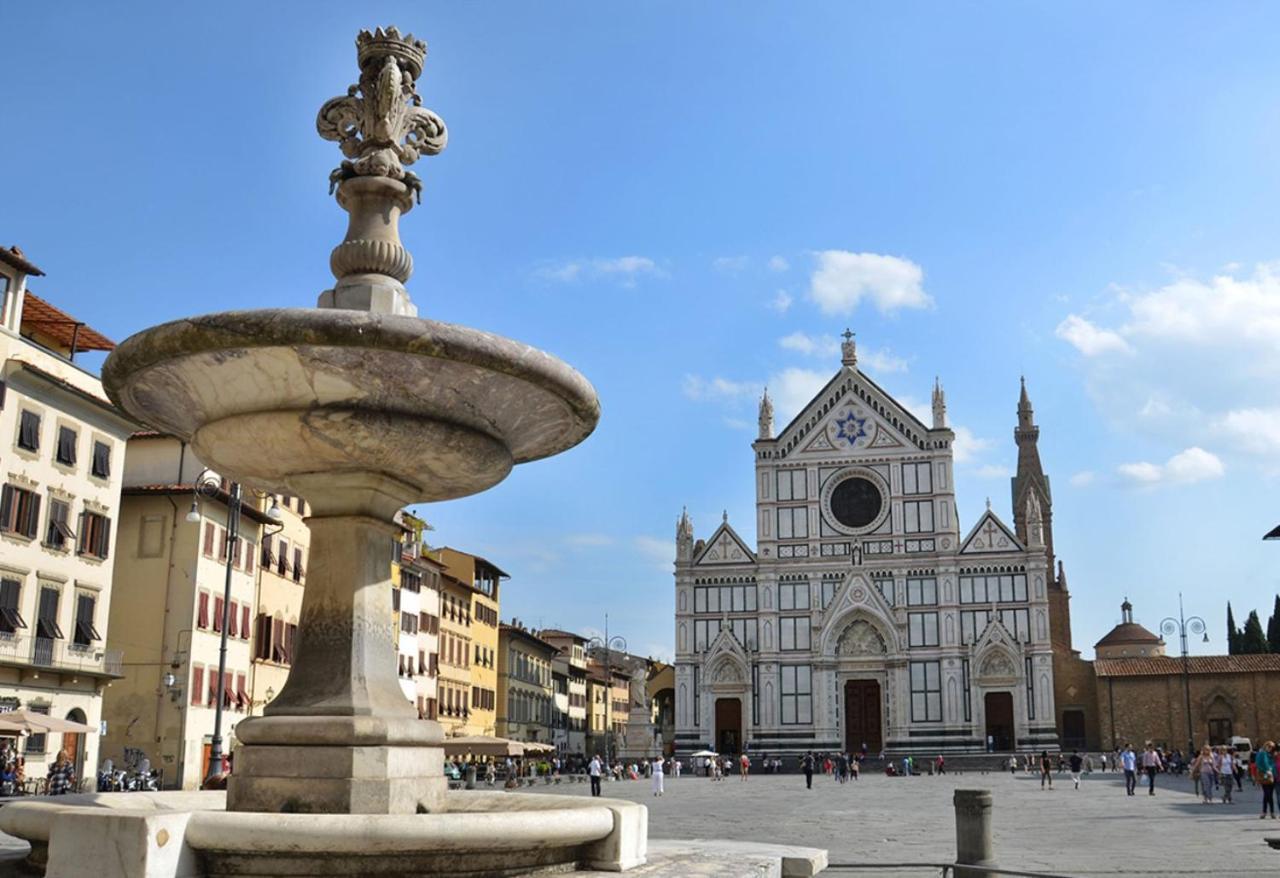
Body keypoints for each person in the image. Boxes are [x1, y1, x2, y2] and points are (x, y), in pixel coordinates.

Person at [1258, 740, 1276, 820]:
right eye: (1269, 746)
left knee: (1270, 795)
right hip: (1264, 776)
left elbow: (1273, 764)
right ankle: (1265, 812)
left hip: (1271, 776)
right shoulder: (1261, 754)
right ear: (1265, 746)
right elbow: (1258, 764)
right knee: (1266, 794)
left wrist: (1270, 769)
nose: (1270, 748)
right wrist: (1266, 771)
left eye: (1271, 747)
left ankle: (1271, 812)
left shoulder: (1271, 755)